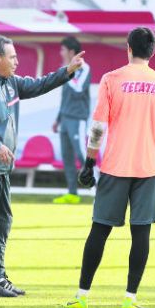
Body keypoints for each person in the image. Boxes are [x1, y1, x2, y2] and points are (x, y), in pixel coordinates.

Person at [0, 35, 84, 297]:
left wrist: (66, 71)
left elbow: (39, 85)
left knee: (3, 223)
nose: (17, 61)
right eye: (12, 57)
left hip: (2, 169)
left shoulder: (11, 83)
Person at [64, 27, 155, 308]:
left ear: (128, 48)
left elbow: (99, 126)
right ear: (153, 51)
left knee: (99, 230)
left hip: (115, 165)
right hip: (149, 168)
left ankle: (82, 295)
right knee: (142, 234)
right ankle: (130, 298)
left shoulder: (111, 79)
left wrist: (90, 161)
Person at [52, 36, 91, 204]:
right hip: (65, 119)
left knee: (82, 155)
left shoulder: (84, 67)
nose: (60, 53)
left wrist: (69, 72)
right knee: (67, 157)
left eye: (63, 50)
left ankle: (100, 189)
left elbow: (78, 89)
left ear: (71, 51)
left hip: (78, 118)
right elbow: (65, 97)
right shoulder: (65, 68)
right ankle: (72, 193)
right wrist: (58, 119)